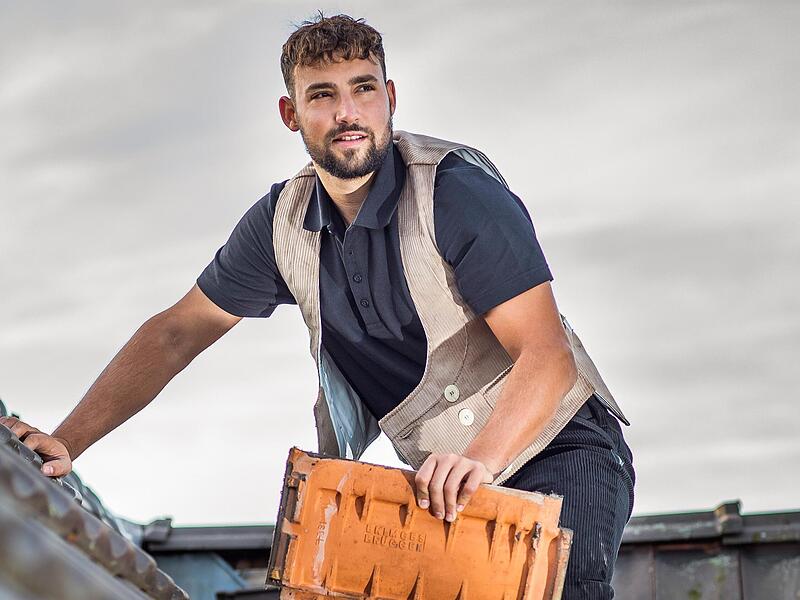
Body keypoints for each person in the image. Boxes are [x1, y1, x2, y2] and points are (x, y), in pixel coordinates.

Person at [0, 13, 635, 597]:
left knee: (562, 590)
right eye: (323, 95)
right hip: (448, 484)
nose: (348, 112)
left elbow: (546, 358)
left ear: (391, 97)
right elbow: (176, 333)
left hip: (563, 448)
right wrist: (66, 441)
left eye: (364, 89)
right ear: (290, 112)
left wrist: (479, 462)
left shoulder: (457, 191)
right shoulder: (278, 226)